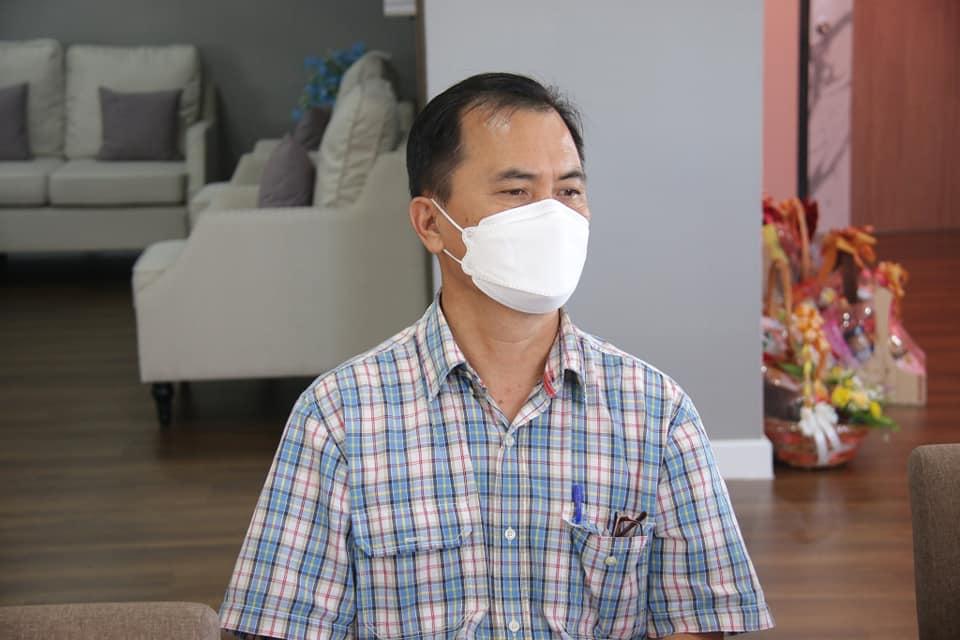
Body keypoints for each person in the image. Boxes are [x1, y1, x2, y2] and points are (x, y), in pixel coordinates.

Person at [219, 72, 774, 640]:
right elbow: (285, 623)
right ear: (431, 223)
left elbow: (698, 622)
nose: (552, 216)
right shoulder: (338, 418)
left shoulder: (657, 413)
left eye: (569, 191)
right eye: (516, 192)